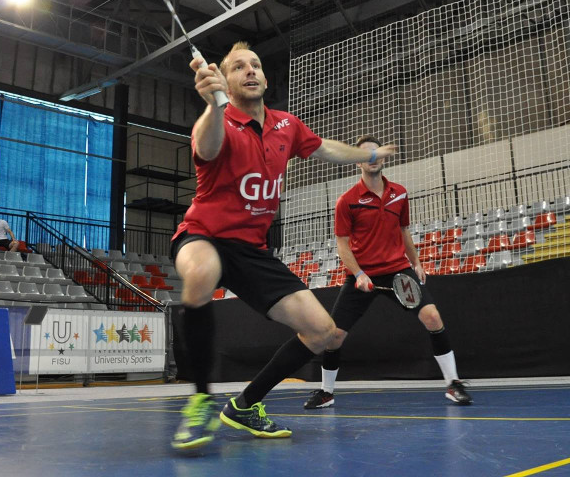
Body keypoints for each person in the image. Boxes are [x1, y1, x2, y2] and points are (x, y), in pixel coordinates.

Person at [170, 42, 396, 451]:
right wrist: (213, 105)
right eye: (238, 67)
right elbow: (205, 146)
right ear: (226, 78)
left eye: (255, 64)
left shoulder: (286, 125)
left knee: (324, 332)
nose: (250, 70)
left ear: (265, 76)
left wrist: (368, 153)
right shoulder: (220, 119)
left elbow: (325, 148)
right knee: (202, 272)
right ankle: (201, 398)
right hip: (204, 235)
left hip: (252, 249)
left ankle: (244, 405)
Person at [303, 135, 472, 410]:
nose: (372, 158)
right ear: (358, 161)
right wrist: (358, 273)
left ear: (383, 158)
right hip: (363, 276)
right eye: (366, 154)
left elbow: (404, 231)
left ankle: (453, 384)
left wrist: (415, 262)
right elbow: (343, 245)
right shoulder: (346, 201)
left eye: (376, 152)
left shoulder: (400, 193)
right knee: (334, 336)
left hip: (398, 271)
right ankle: (326, 392)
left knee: (432, 317)